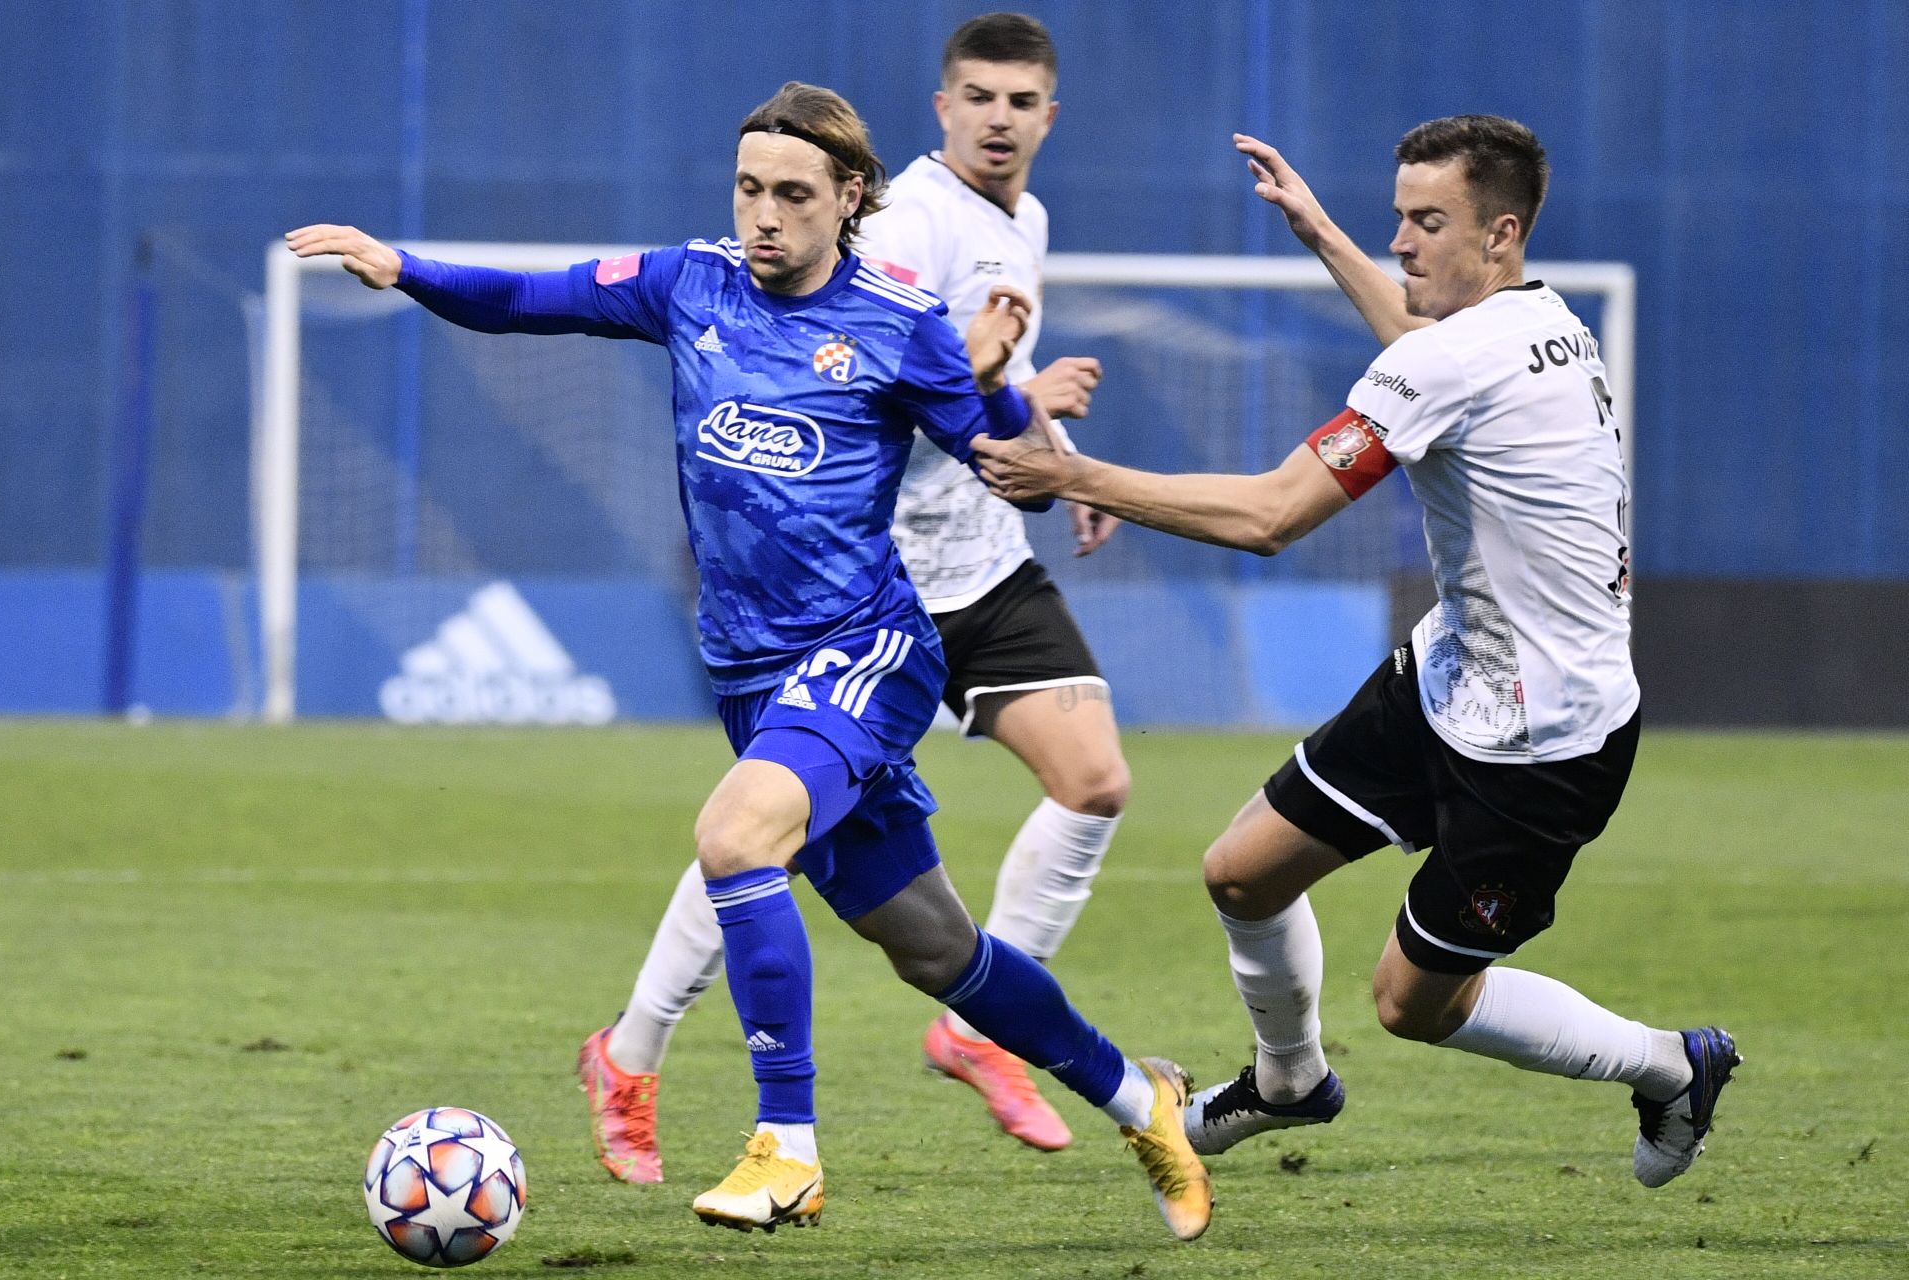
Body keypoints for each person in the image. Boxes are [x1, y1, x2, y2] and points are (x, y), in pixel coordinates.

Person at [286, 82, 1209, 1240]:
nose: (765, 214)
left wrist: (1014, 408)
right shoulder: (692, 283)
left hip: (866, 650)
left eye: (793, 194)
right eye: (749, 188)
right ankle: (1140, 1098)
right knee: (936, 947)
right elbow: (529, 297)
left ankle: (787, 1148)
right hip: (750, 676)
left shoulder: (899, 320)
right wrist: (403, 267)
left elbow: (1005, 466)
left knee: (733, 836)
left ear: (850, 197)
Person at [973, 114, 1738, 1187]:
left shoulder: (1459, 356)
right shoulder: (1538, 320)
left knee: (1412, 1004)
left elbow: (1271, 516)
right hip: (1448, 676)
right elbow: (1421, 351)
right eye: (1397, 219)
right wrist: (1322, 234)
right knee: (1242, 874)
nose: (1401, 243)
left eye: (1428, 223)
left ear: (1501, 233)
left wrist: (1074, 477)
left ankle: (1669, 1064)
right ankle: (1289, 1079)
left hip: (1543, 743)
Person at [579, 11, 1129, 1176]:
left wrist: (1055, 450)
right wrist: (996, 387)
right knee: (758, 828)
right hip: (866, 578)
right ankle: (635, 1050)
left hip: (979, 564)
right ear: (941, 109)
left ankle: (985, 1033)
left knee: (1093, 778)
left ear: (1049, 115)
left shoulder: (1022, 221)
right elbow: (887, 367)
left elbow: (972, 386)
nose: (997, 119)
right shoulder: (908, 220)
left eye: (1019, 101)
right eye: (977, 96)